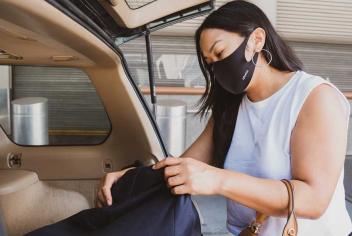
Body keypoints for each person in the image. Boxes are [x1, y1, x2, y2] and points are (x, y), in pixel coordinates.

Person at [96, 1, 352, 235]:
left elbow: (314, 200)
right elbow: (184, 168)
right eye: (209, 63)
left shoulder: (314, 97)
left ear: (257, 40)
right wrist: (130, 177)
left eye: (220, 53)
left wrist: (219, 180)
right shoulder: (230, 108)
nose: (217, 68)